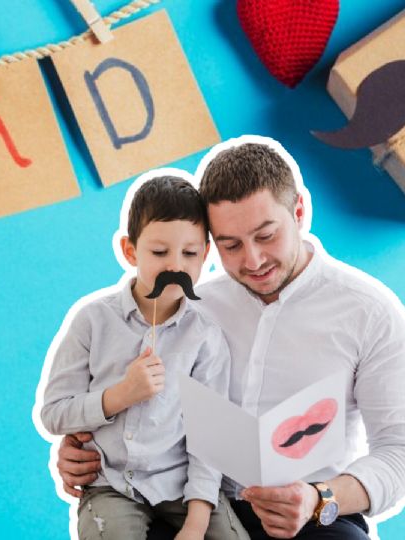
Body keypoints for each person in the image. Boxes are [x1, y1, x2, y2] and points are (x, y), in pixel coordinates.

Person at [52, 137, 405, 539]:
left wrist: (319, 498)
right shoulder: (186, 308)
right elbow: (131, 398)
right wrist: (83, 449)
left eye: (266, 236)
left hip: (312, 514)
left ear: (300, 212)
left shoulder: (369, 313)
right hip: (186, 504)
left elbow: (404, 453)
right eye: (230, 245)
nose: (252, 261)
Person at [36, 175, 250, 540]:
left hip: (182, 486)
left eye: (190, 253)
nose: (175, 266)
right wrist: (121, 395)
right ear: (130, 251)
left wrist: (196, 524)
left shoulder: (205, 338)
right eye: (159, 252)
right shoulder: (92, 321)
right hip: (110, 485)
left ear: (206, 255)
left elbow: (209, 440)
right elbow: (54, 414)